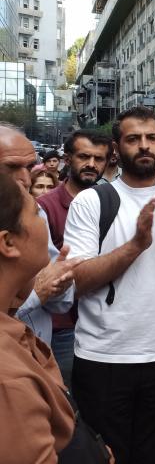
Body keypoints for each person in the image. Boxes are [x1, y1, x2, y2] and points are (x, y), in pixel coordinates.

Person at [63, 106, 155, 464]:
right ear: (116, 148)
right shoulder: (92, 201)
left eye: (152, 138)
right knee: (106, 455)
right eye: (133, 138)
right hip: (103, 356)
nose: (144, 145)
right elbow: (77, 281)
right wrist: (136, 244)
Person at [0, 172, 77, 461]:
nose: (44, 219)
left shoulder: (14, 333)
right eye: (36, 212)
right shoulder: (10, 382)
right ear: (8, 243)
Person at [37, 129, 111, 389]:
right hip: (62, 325)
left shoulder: (112, 203)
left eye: (98, 158)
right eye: (84, 156)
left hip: (105, 322)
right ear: (67, 159)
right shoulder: (45, 207)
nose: (91, 164)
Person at [0, 124, 74, 346]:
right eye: (11, 167)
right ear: (6, 242)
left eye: (30, 166)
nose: (25, 179)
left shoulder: (35, 211)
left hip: (39, 350)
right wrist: (36, 295)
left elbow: (60, 302)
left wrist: (60, 283)